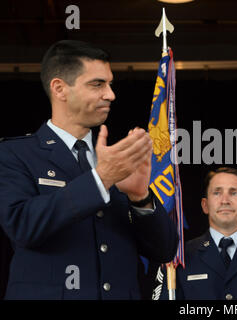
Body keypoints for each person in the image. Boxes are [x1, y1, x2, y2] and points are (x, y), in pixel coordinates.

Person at [0, 40, 178, 300]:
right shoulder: (15, 154)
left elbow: (164, 251)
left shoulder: (116, 157)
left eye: (110, 84)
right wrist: (101, 179)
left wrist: (141, 198)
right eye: (97, 84)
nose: (110, 94)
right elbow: (23, 226)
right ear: (60, 89)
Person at [155, 167, 237, 300]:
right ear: (205, 205)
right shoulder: (181, 257)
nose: (225, 200)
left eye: (234, 193)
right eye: (217, 193)